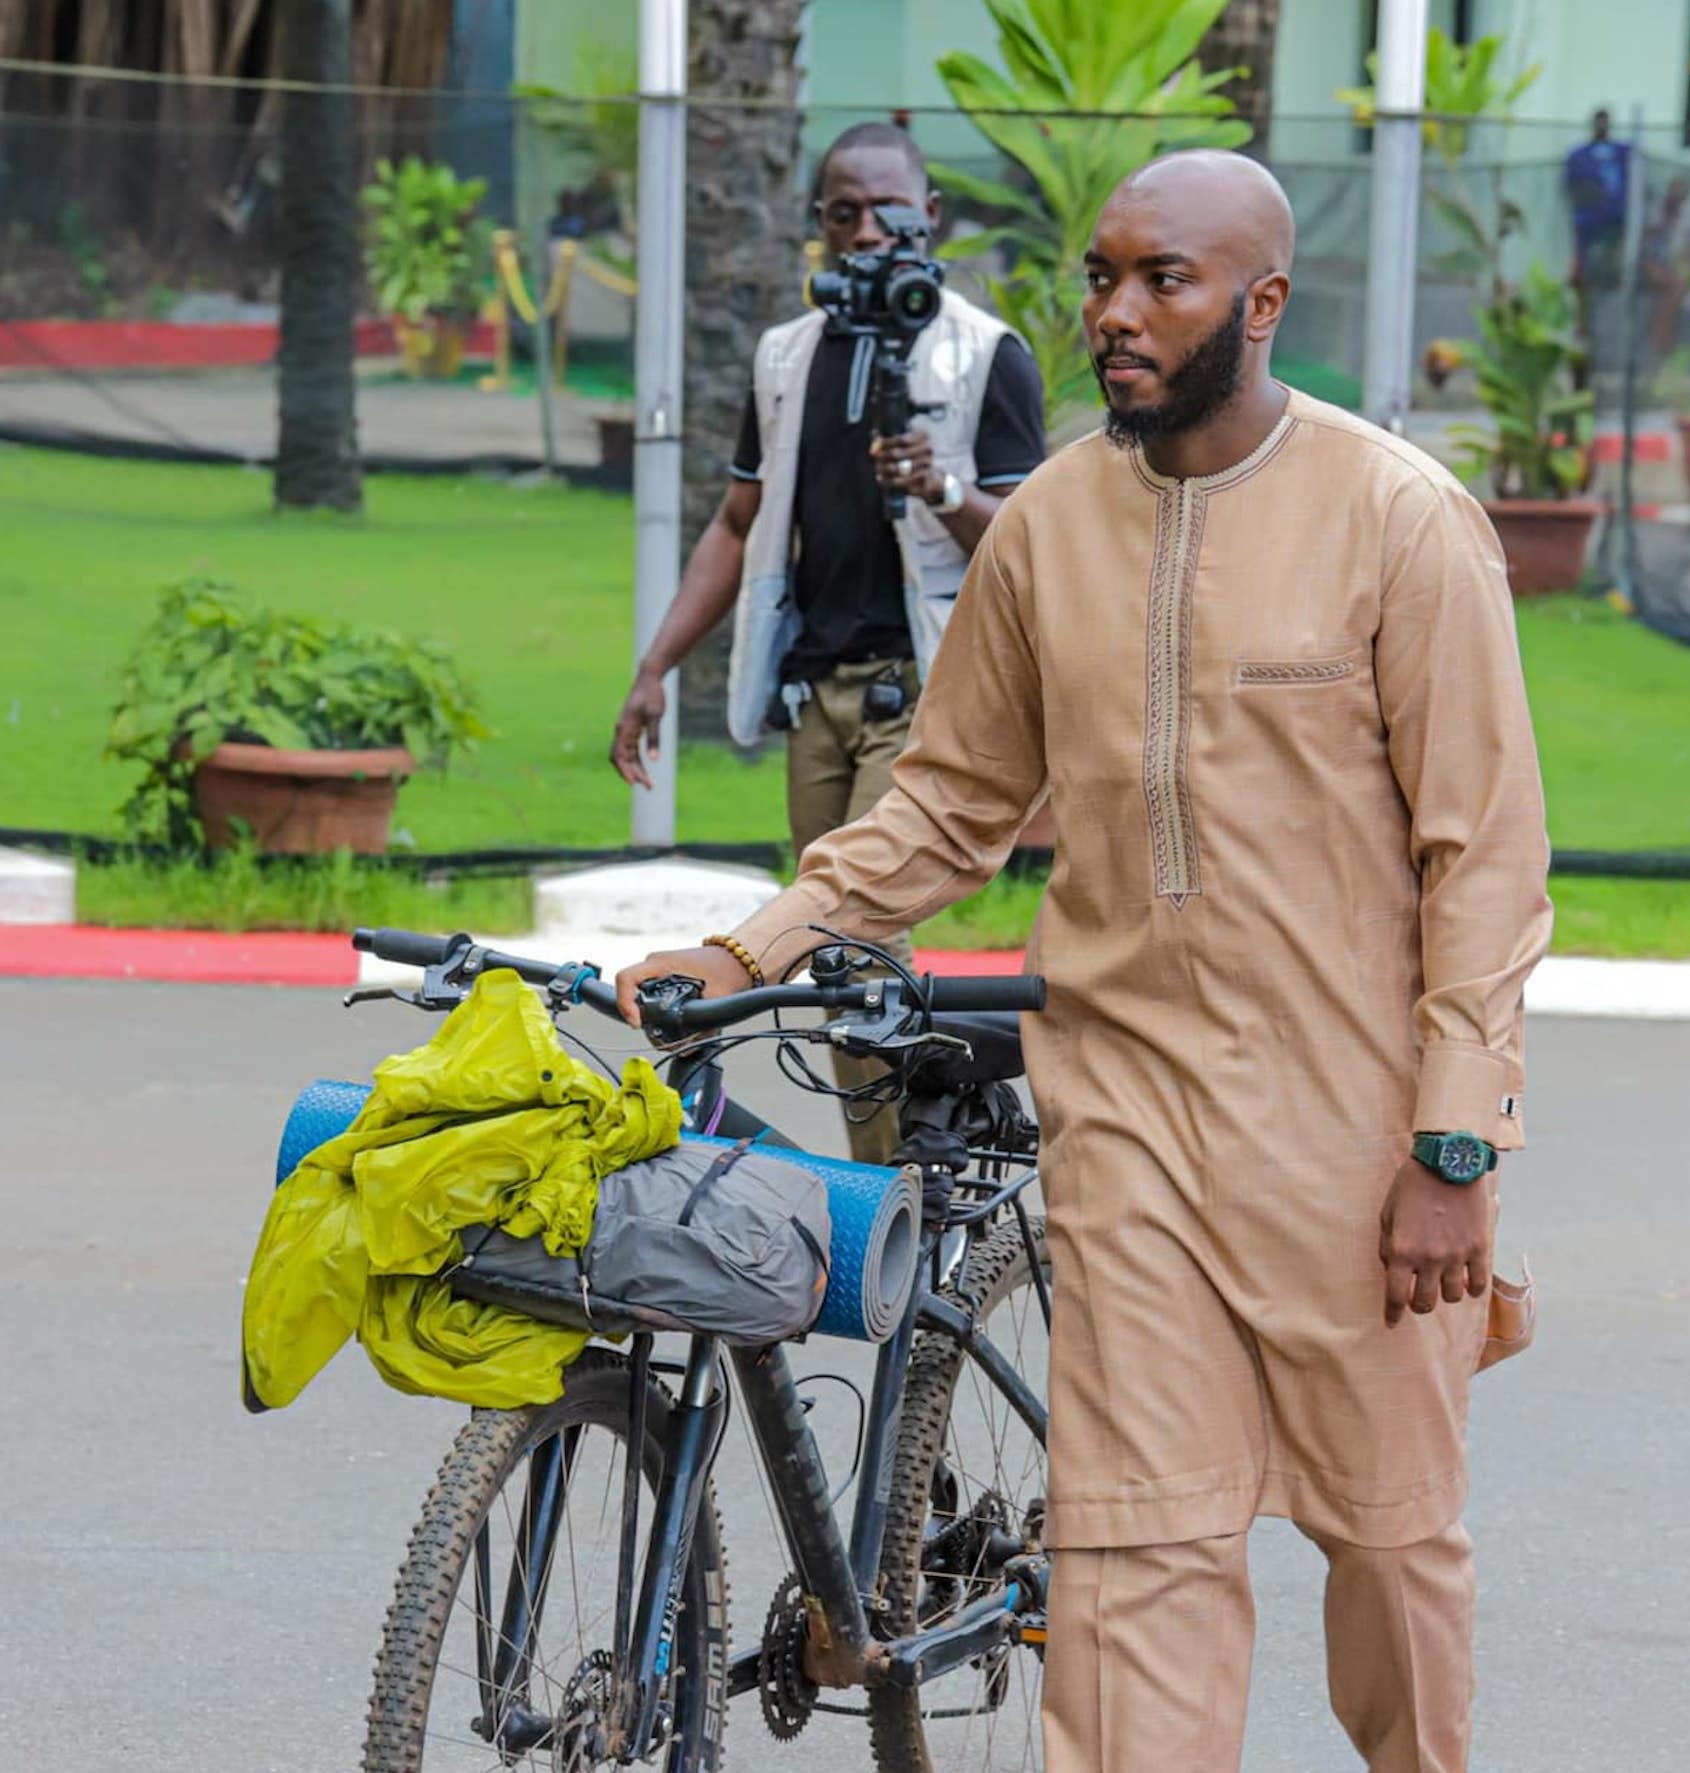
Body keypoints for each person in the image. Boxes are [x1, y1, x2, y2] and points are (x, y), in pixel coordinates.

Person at [617, 149, 1552, 1772]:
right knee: (1132, 1572)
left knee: (1392, 1548)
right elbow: (951, 803)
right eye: (1104, 276)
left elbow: (1484, 855)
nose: (1115, 313)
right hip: (1125, 1123)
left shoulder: (1398, 519)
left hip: (1354, 1135)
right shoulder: (1047, 524)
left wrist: (1453, 1139)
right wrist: (748, 941)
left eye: (1162, 281)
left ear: (1260, 304)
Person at [608, 120, 1046, 1163]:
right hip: (820, 698)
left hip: (925, 692)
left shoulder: (987, 355)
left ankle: (896, 1194)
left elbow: (1031, 548)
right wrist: (655, 665)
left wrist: (940, 486)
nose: (865, 231)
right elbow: (736, 521)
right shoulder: (786, 354)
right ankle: (943, 1135)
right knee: (838, 954)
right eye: (841, 212)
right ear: (818, 226)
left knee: (854, 947)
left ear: (929, 216)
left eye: (888, 211)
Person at [1566, 107, 1634, 336]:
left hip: (1616, 226)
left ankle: (1610, 329)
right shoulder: (1580, 156)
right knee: (1584, 277)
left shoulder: (1622, 152)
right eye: (1598, 122)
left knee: (1611, 276)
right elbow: (1575, 190)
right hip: (1588, 226)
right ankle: (1583, 327)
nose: (1602, 127)